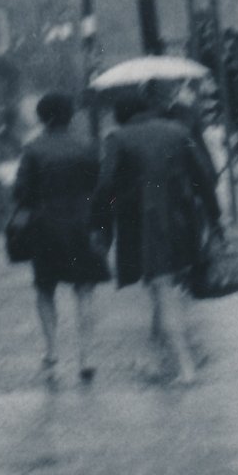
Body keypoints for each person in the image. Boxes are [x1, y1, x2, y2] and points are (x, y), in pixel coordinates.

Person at [93, 84, 222, 385]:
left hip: (143, 226)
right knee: (160, 288)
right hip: (183, 223)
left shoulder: (117, 138)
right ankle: (160, 359)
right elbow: (204, 178)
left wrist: (102, 228)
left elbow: (104, 188)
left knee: (162, 290)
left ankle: (186, 368)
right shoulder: (178, 131)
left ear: (119, 115)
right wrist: (215, 222)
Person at [13, 92, 110, 378]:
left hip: (46, 226)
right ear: (71, 115)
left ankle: (53, 351)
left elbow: (21, 193)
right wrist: (102, 227)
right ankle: (86, 356)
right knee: (84, 291)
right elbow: (102, 189)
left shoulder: (32, 150)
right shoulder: (88, 147)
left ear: (42, 117)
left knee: (45, 288)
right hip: (82, 224)